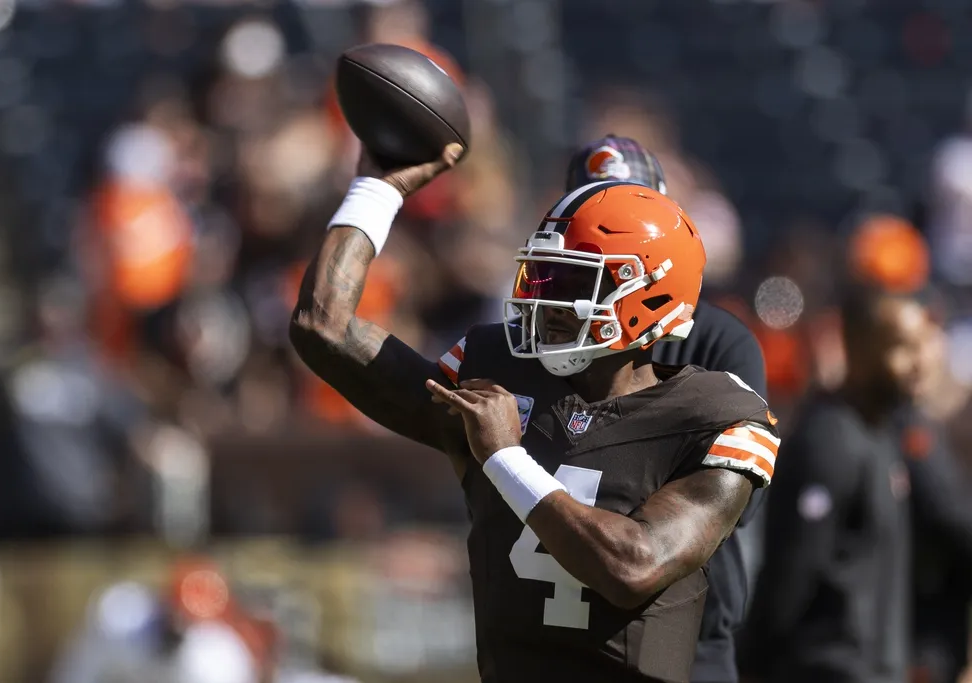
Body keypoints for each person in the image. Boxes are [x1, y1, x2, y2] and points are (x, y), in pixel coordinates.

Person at [289, 144, 780, 682]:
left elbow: (632, 566)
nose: (543, 301)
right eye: (541, 276)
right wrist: (377, 188)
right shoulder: (498, 370)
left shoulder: (719, 419)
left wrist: (506, 459)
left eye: (572, 284)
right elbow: (323, 326)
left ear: (651, 297)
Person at [566, 134, 767, 683]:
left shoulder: (722, 340)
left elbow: (732, 501)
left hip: (688, 634)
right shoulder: (548, 333)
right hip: (570, 629)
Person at [739, 287, 930, 683]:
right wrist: (751, 663)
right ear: (857, 349)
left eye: (921, 347)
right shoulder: (829, 439)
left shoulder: (881, 433)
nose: (918, 364)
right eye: (902, 348)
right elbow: (791, 574)